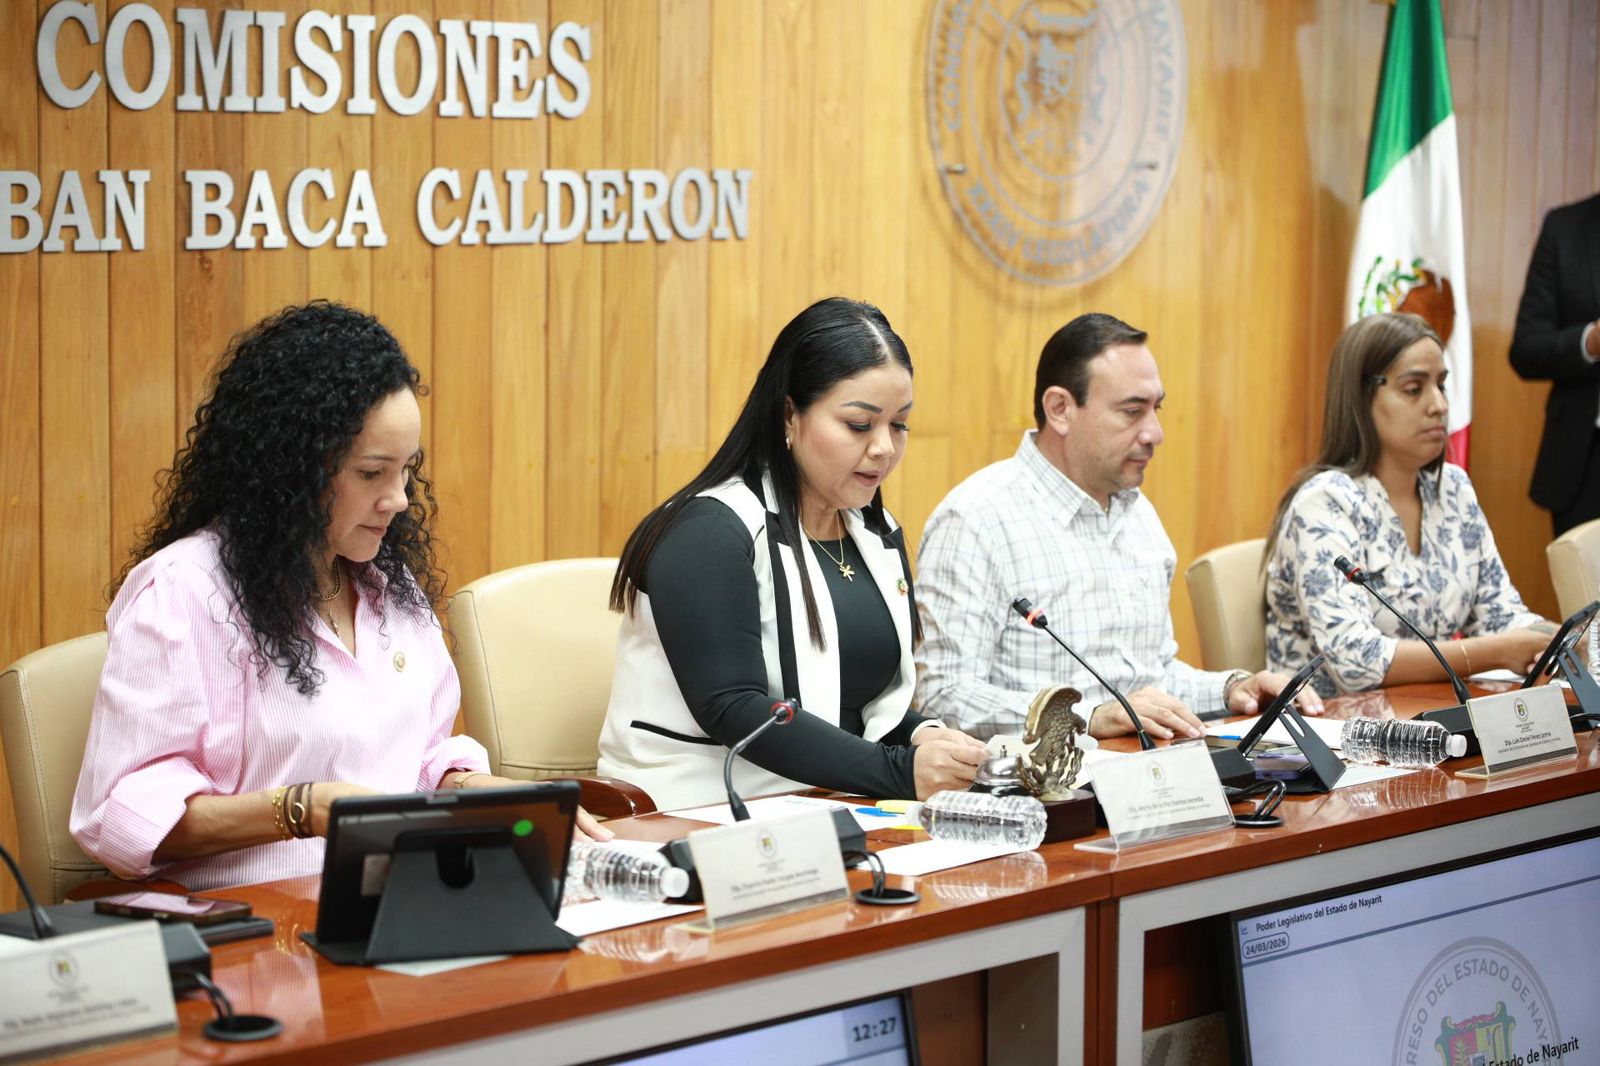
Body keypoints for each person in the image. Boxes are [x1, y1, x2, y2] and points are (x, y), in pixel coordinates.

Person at [71, 301, 607, 892]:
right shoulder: (184, 592)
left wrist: (469, 787)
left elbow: (419, 755)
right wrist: (303, 809)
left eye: (407, 470)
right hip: (253, 927)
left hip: (399, 895)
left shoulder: (385, 583)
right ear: (290, 469)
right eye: (372, 473)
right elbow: (123, 818)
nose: (400, 499)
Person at [597, 297, 988, 810]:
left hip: (830, 801)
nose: (885, 448)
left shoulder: (876, 531)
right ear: (789, 414)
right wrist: (897, 771)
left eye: (899, 425)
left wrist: (924, 738)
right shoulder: (709, 531)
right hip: (696, 810)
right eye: (858, 424)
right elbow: (734, 707)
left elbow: (855, 703)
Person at [915, 313, 1315, 743]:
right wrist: (1087, 716)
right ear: (1060, 409)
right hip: (1044, 791)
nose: (1156, 433)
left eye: (1156, 409)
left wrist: (1234, 688)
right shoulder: (976, 520)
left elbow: (1151, 679)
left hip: (1150, 777)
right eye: (1132, 412)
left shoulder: (1138, 516)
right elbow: (942, 696)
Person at [1265, 312, 1554, 696]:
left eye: (1441, 385)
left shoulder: (1452, 488)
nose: (1439, 405)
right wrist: (1500, 651)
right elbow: (1357, 661)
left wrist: (1550, 640)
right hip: (1333, 736)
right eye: (1414, 389)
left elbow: (1500, 615)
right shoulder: (1325, 503)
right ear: (1362, 397)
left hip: (1429, 721)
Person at [1510, 192, 1600, 536]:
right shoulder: (1566, 228)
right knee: (1585, 591)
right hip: (1585, 463)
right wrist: (1590, 341)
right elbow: (1527, 348)